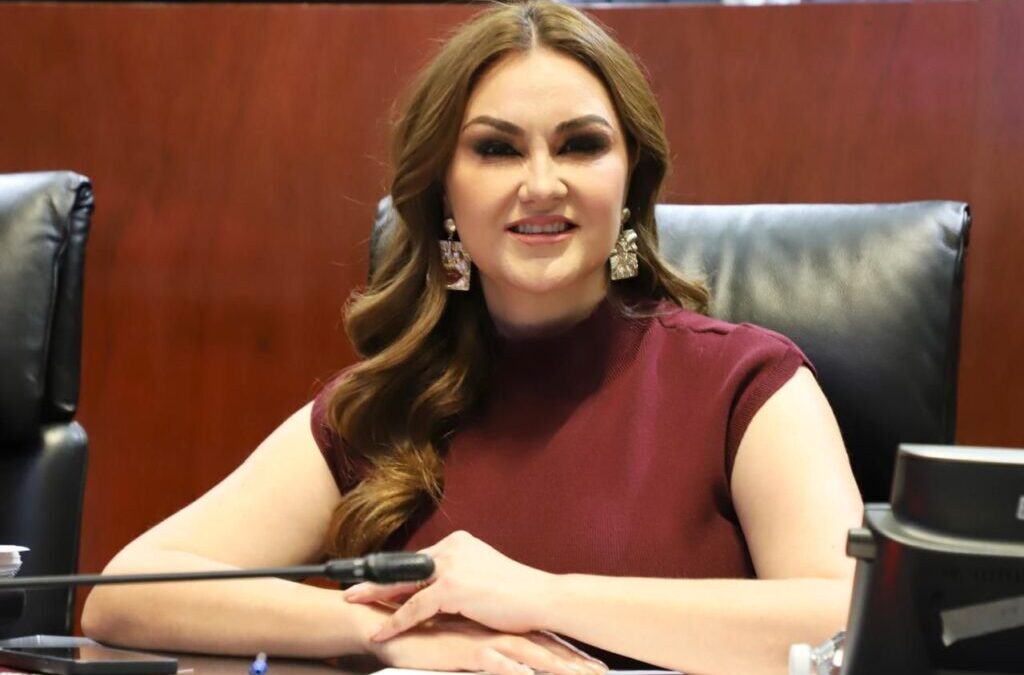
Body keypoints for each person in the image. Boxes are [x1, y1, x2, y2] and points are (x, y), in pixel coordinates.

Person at [81, 2, 864, 674]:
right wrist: (387, 630)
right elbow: (127, 593)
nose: (542, 184)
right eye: (496, 148)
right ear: (444, 194)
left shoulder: (745, 381)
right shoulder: (388, 406)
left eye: (581, 144)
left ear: (631, 180)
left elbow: (849, 615)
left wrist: (539, 597)